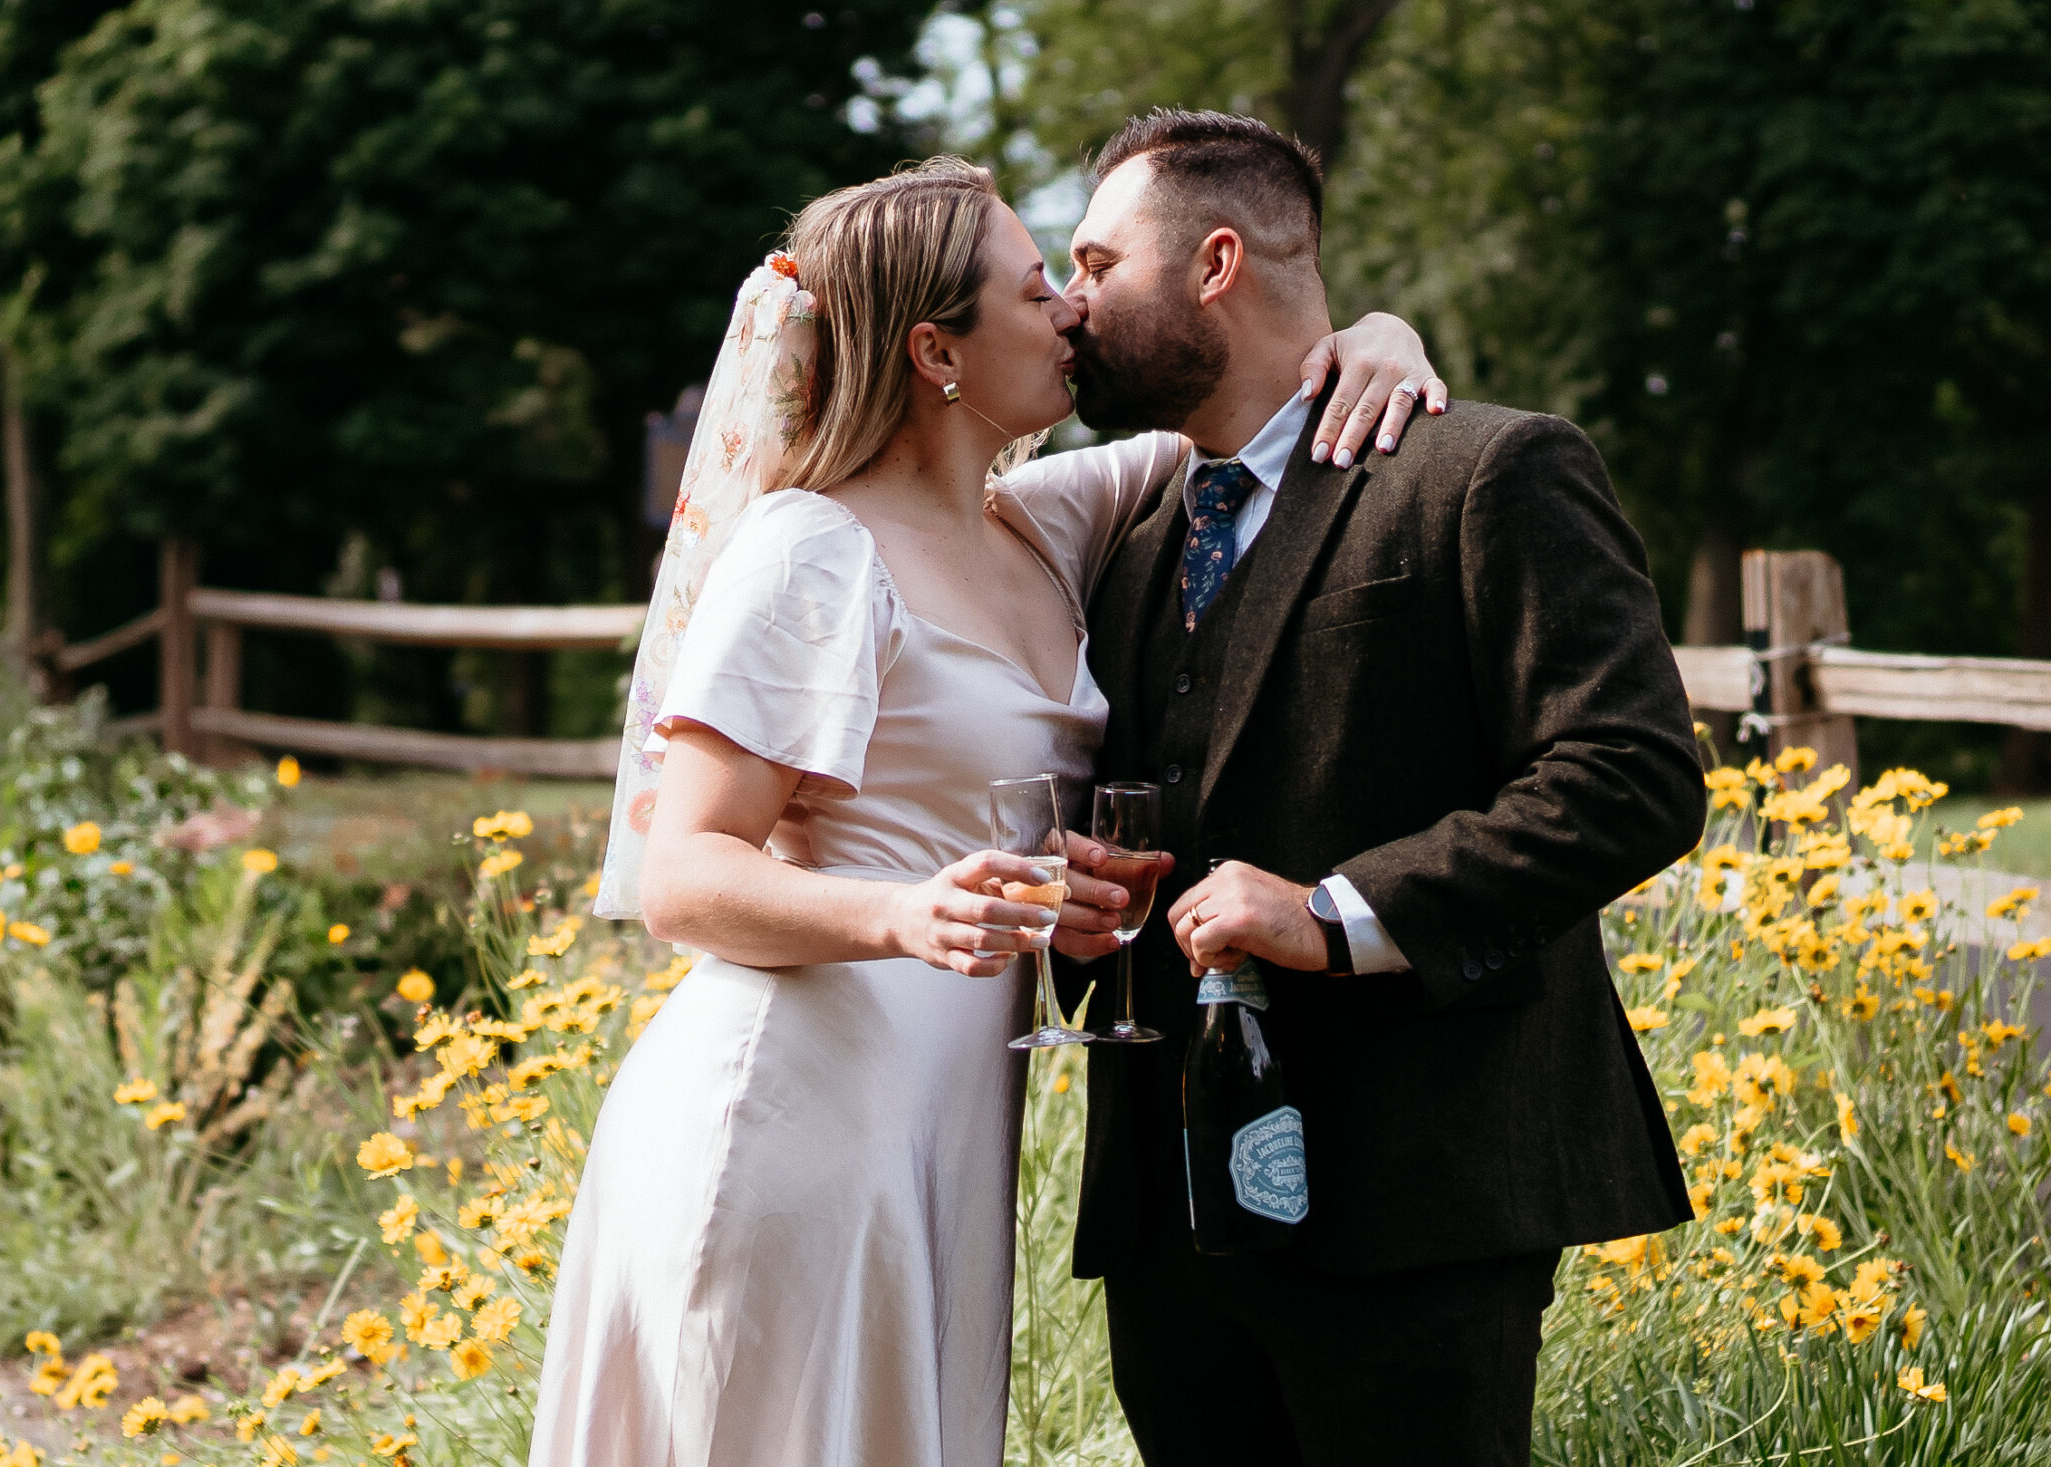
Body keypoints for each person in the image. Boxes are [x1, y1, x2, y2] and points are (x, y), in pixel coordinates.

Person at [528, 157, 1448, 1467]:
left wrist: (1376, 336)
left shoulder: (1041, 521)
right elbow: (684, 875)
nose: (1073, 314)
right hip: (790, 1109)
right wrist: (909, 909)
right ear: (935, 351)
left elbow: (1262, 408)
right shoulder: (811, 550)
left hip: (937, 1120)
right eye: (1036, 292)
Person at [1045, 109, 1706, 1467]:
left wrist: (1339, 915)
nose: (1071, 300)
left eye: (1099, 263)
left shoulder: (1485, 473)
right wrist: (1087, 907)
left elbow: (1630, 775)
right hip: (1169, 1225)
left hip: (1418, 1201)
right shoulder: (1132, 530)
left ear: (1216, 264)